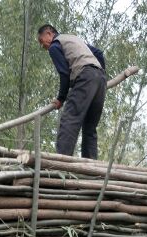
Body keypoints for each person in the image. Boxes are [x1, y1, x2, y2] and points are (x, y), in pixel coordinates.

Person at [37, 24, 106, 159]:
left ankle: (61, 163)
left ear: (49, 34)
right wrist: (99, 74)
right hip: (100, 80)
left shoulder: (55, 46)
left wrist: (61, 98)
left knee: (70, 120)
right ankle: (91, 170)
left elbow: (64, 73)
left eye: (41, 41)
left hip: (85, 77)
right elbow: (98, 53)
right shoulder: (74, 39)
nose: (42, 46)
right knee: (90, 128)